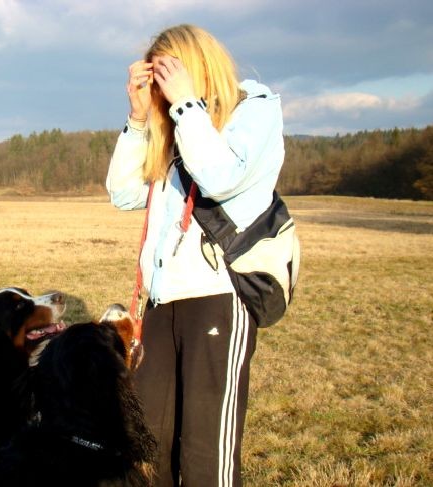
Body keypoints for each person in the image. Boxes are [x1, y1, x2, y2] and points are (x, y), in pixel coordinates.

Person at [105, 24, 285, 486]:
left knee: (207, 452)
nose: (162, 89)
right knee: (147, 443)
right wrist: (140, 118)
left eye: (168, 74)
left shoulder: (254, 110)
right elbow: (124, 193)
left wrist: (187, 104)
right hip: (163, 302)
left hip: (219, 296)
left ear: (195, 65)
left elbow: (221, 177)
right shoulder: (172, 125)